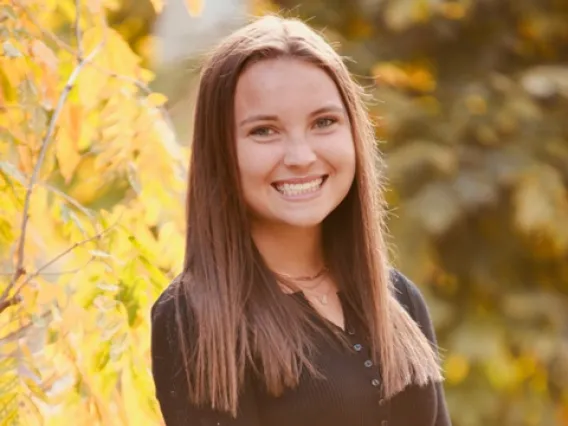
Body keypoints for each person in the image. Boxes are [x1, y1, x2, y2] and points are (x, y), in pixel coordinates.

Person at [150, 14, 451, 426]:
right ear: (221, 152)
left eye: (323, 123)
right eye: (264, 131)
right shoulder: (196, 316)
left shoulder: (398, 298)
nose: (301, 156)